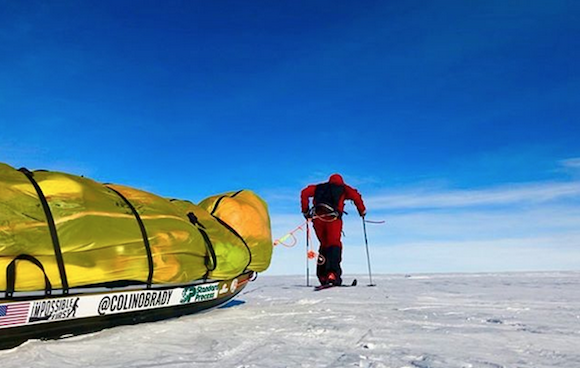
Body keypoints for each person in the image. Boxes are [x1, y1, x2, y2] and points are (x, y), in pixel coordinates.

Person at [300, 174, 366, 286]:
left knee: (324, 245)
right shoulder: (344, 188)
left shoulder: (319, 187)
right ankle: (332, 274)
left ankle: (322, 276)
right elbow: (356, 196)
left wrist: (306, 211)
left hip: (318, 219)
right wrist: (362, 211)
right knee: (334, 244)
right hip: (333, 220)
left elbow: (304, 193)